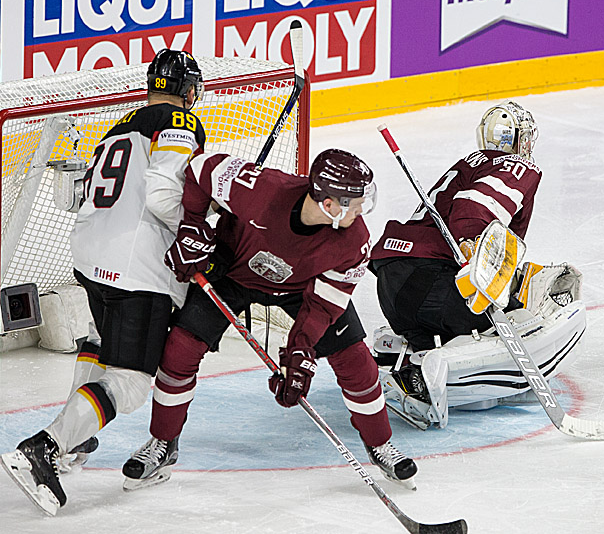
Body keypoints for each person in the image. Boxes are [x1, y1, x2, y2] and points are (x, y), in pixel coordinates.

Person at [121, 147, 418, 490]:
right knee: (180, 349)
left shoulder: (354, 241)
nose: (361, 209)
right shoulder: (262, 189)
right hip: (234, 273)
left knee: (354, 358)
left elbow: (324, 305)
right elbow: (202, 169)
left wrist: (300, 351)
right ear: (328, 204)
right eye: (353, 202)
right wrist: (192, 226)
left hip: (304, 288)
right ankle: (163, 443)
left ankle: (380, 443)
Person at [0, 50, 206, 515]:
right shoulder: (179, 123)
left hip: (90, 255)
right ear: (188, 92)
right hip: (138, 269)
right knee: (131, 383)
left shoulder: (118, 128)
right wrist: (197, 226)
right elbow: (162, 196)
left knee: (98, 340)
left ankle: (75, 442)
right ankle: (46, 448)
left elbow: (83, 194)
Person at [368, 100, 586, 429]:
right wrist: (472, 243)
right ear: (514, 140)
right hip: (434, 281)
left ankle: (404, 358)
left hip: (395, 283)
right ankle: (430, 376)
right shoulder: (516, 167)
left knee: (479, 307)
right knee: (522, 318)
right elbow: (474, 207)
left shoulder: (470, 163)